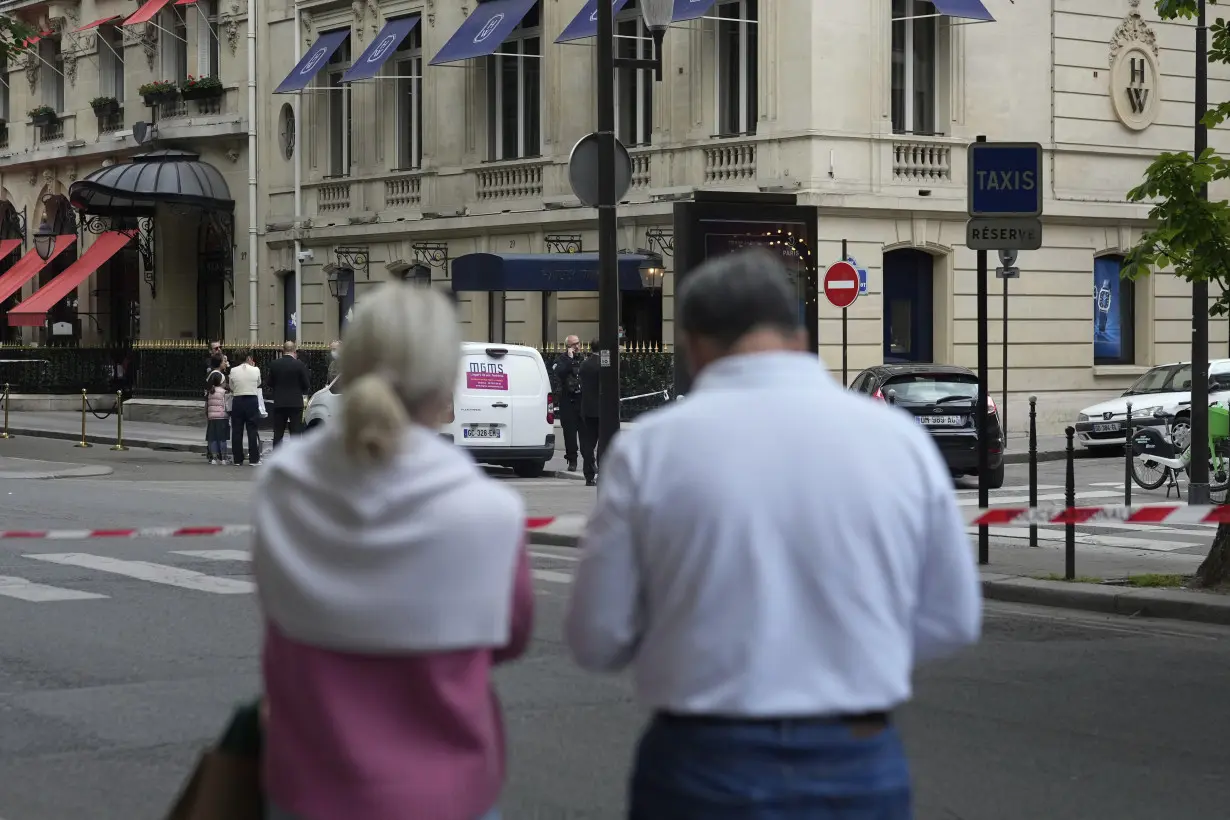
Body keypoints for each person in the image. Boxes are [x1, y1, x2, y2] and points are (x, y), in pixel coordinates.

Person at [563, 248, 981, 819]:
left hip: (702, 756)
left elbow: (598, 636)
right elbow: (951, 618)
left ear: (693, 344)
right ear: (801, 332)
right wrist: (852, 653)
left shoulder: (649, 450)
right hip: (853, 753)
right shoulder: (897, 440)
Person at [252, 282, 533, 820]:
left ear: (350, 369)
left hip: (311, 788)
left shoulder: (282, 487)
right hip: (447, 794)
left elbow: (276, 611)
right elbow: (511, 637)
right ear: (445, 383)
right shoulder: (488, 511)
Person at [267, 341, 312, 448]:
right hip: (295, 402)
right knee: (295, 433)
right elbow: (306, 384)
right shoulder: (299, 365)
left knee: (278, 433)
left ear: (283, 350)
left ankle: (277, 456)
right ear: (294, 351)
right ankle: (295, 457)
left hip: (279, 402)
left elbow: (269, 383)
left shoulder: (275, 364)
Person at [552, 335, 584, 471]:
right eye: (574, 344)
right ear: (568, 347)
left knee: (585, 434)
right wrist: (570, 360)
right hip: (568, 402)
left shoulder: (583, 359)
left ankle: (589, 460)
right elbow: (559, 373)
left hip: (582, 402)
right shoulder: (561, 360)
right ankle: (572, 460)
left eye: (578, 343)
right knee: (570, 435)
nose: (577, 346)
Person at [228, 349, 263, 466]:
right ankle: (254, 458)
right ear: (248, 358)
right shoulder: (256, 369)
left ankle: (237, 458)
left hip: (238, 400)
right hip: (251, 400)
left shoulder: (233, 370)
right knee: (252, 430)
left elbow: (231, 387)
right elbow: (258, 383)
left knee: (237, 430)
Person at [578, 339, 601, 486]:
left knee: (588, 444)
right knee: (604, 443)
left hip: (587, 409)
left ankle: (589, 475)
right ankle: (602, 473)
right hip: (602, 410)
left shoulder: (585, 364)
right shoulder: (604, 364)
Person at [205, 355, 230, 465]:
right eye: (224, 361)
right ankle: (223, 457)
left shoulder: (210, 381)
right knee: (222, 437)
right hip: (221, 414)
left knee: (212, 437)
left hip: (211, 414)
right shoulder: (220, 376)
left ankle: (214, 457)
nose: (226, 363)